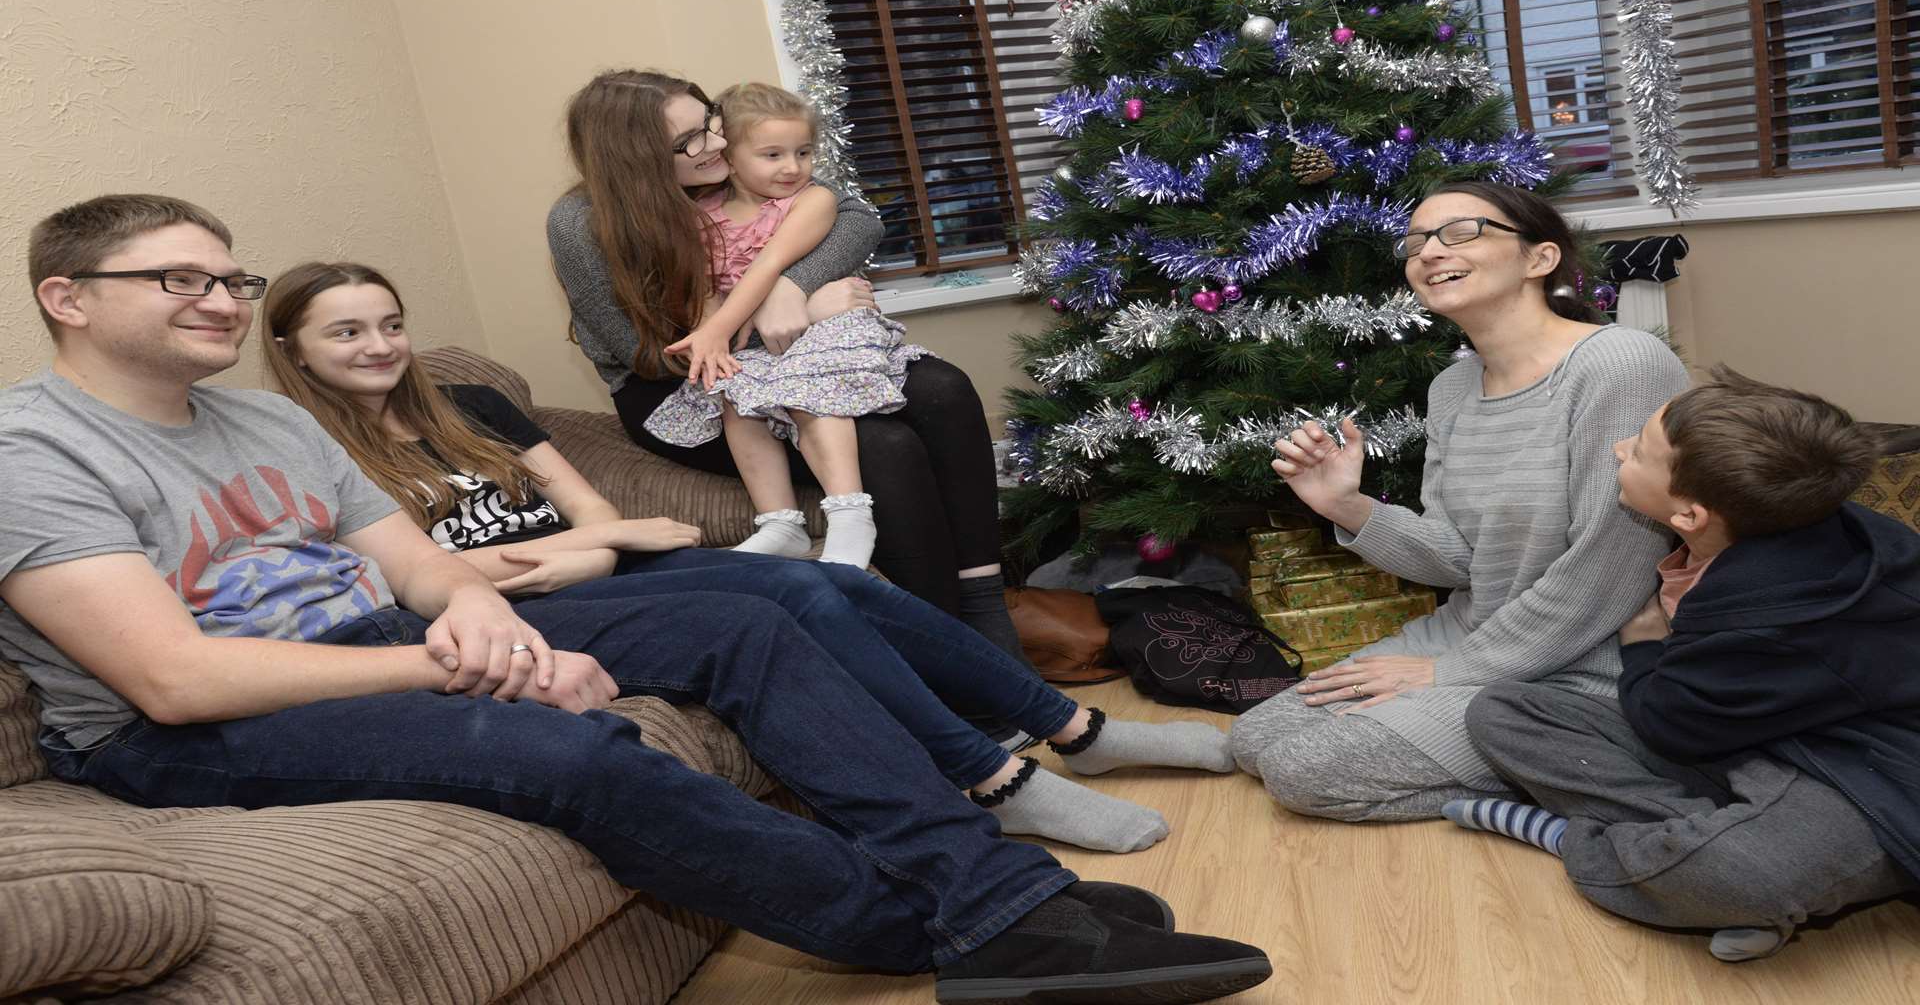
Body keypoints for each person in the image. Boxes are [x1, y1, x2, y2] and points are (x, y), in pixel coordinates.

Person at [0, 194, 1275, 1003]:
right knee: (582, 754)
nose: (218, 301)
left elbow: (417, 564)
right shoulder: (33, 455)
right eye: (179, 281)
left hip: (374, 638)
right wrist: (466, 667)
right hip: (179, 733)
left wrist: (479, 617)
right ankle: (937, 929)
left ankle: (990, 898)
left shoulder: (261, 424)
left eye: (227, 277)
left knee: (742, 613)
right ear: (68, 299)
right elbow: (176, 679)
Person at [260, 259, 1239, 853]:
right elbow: (414, 578)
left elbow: (603, 511)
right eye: (346, 332)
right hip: (513, 615)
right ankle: (996, 782)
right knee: (794, 606)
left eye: (389, 323)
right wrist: (579, 552)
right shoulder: (304, 452)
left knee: (813, 581)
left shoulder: (472, 405)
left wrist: (586, 545)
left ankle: (1073, 729)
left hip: (589, 574)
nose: (380, 344)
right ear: (298, 352)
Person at [1228, 180, 1689, 821]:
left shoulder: (1619, 362)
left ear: (1539, 258)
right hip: (1474, 632)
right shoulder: (1452, 386)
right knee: (1254, 740)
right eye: (1416, 241)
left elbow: (1611, 563)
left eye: (1462, 230)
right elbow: (1458, 561)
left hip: (1583, 662)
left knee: (1301, 774)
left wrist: (1453, 673)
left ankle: (1592, 772)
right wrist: (1347, 505)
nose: (1428, 251)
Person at [546, 69, 1029, 673]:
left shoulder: (729, 170)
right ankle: (948, 658)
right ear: (638, 158)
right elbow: (654, 352)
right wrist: (794, 304)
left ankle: (985, 604)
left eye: (712, 125)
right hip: (682, 385)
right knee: (887, 446)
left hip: (787, 348)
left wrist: (792, 289)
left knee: (946, 390)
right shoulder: (581, 223)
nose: (717, 144)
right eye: (691, 140)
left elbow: (856, 217)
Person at [1447, 367, 1919, 962]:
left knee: (1733, 873)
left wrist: (1643, 643)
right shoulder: (1792, 522)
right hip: (1750, 731)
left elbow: (1667, 721)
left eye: (1639, 451)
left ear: (1691, 514)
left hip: (1863, 776)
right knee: (1504, 710)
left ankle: (1577, 839)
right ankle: (1693, 834)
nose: (1620, 449)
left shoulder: (1769, 620)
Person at [644, 82, 933, 570]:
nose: (792, 166)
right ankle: (780, 522)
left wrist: (723, 328)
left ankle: (849, 514)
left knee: (812, 391)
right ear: (728, 157)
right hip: (760, 340)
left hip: (826, 332)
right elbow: (703, 288)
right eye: (772, 154)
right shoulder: (698, 219)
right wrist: (712, 336)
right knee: (736, 393)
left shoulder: (813, 201)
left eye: (803, 152)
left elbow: (770, 266)